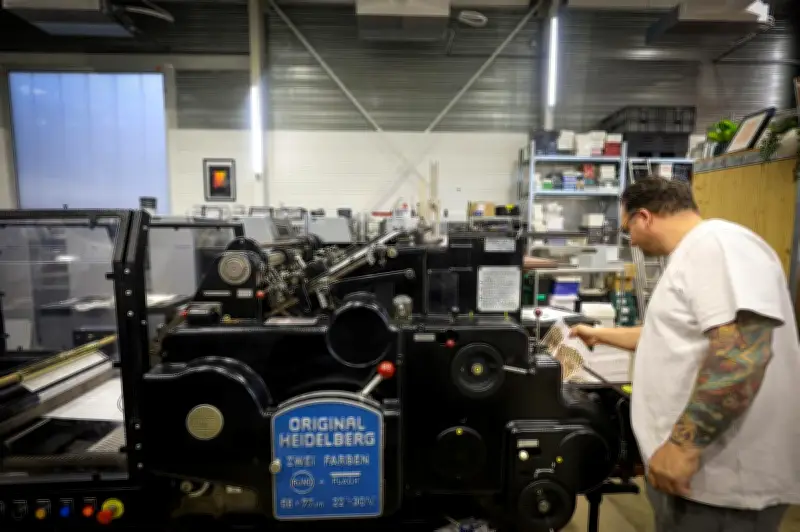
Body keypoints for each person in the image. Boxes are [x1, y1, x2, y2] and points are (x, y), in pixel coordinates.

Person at [570, 177, 800, 532]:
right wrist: (599, 334)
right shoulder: (696, 253)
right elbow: (672, 335)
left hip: (720, 483)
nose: (632, 240)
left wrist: (682, 447)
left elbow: (740, 353)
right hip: (696, 477)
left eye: (628, 229)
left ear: (644, 217)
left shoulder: (718, 246)